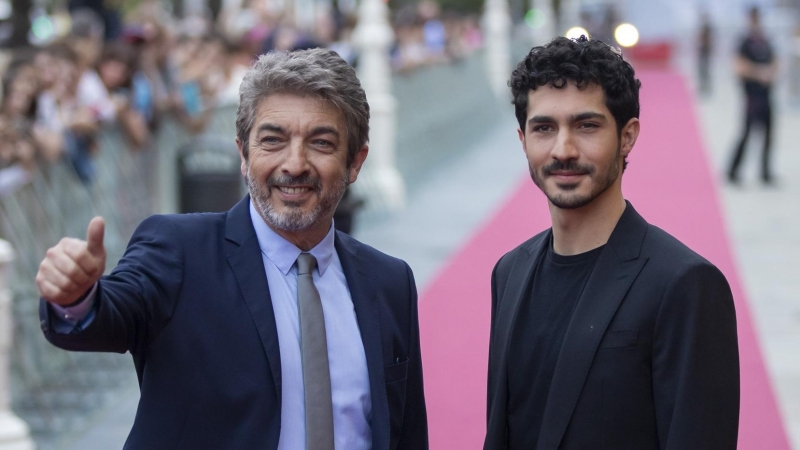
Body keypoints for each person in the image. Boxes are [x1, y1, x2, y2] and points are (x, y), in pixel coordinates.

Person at [36, 48, 428, 450]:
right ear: (243, 154)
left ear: (355, 162)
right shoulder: (180, 251)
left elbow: (407, 433)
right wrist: (79, 298)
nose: (294, 164)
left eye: (321, 143)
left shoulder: (389, 281)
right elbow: (113, 312)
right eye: (273, 140)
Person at [483, 36, 739, 449]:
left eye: (586, 126)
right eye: (544, 128)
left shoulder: (684, 284)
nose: (563, 150)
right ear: (523, 140)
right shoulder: (509, 272)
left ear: (627, 137)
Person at [728, 6, 777, 185]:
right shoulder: (745, 42)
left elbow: (775, 61)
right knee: (747, 133)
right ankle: (733, 170)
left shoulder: (766, 41)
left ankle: (765, 172)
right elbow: (739, 66)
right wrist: (759, 73)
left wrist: (771, 72)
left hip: (766, 94)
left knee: (769, 134)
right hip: (752, 95)